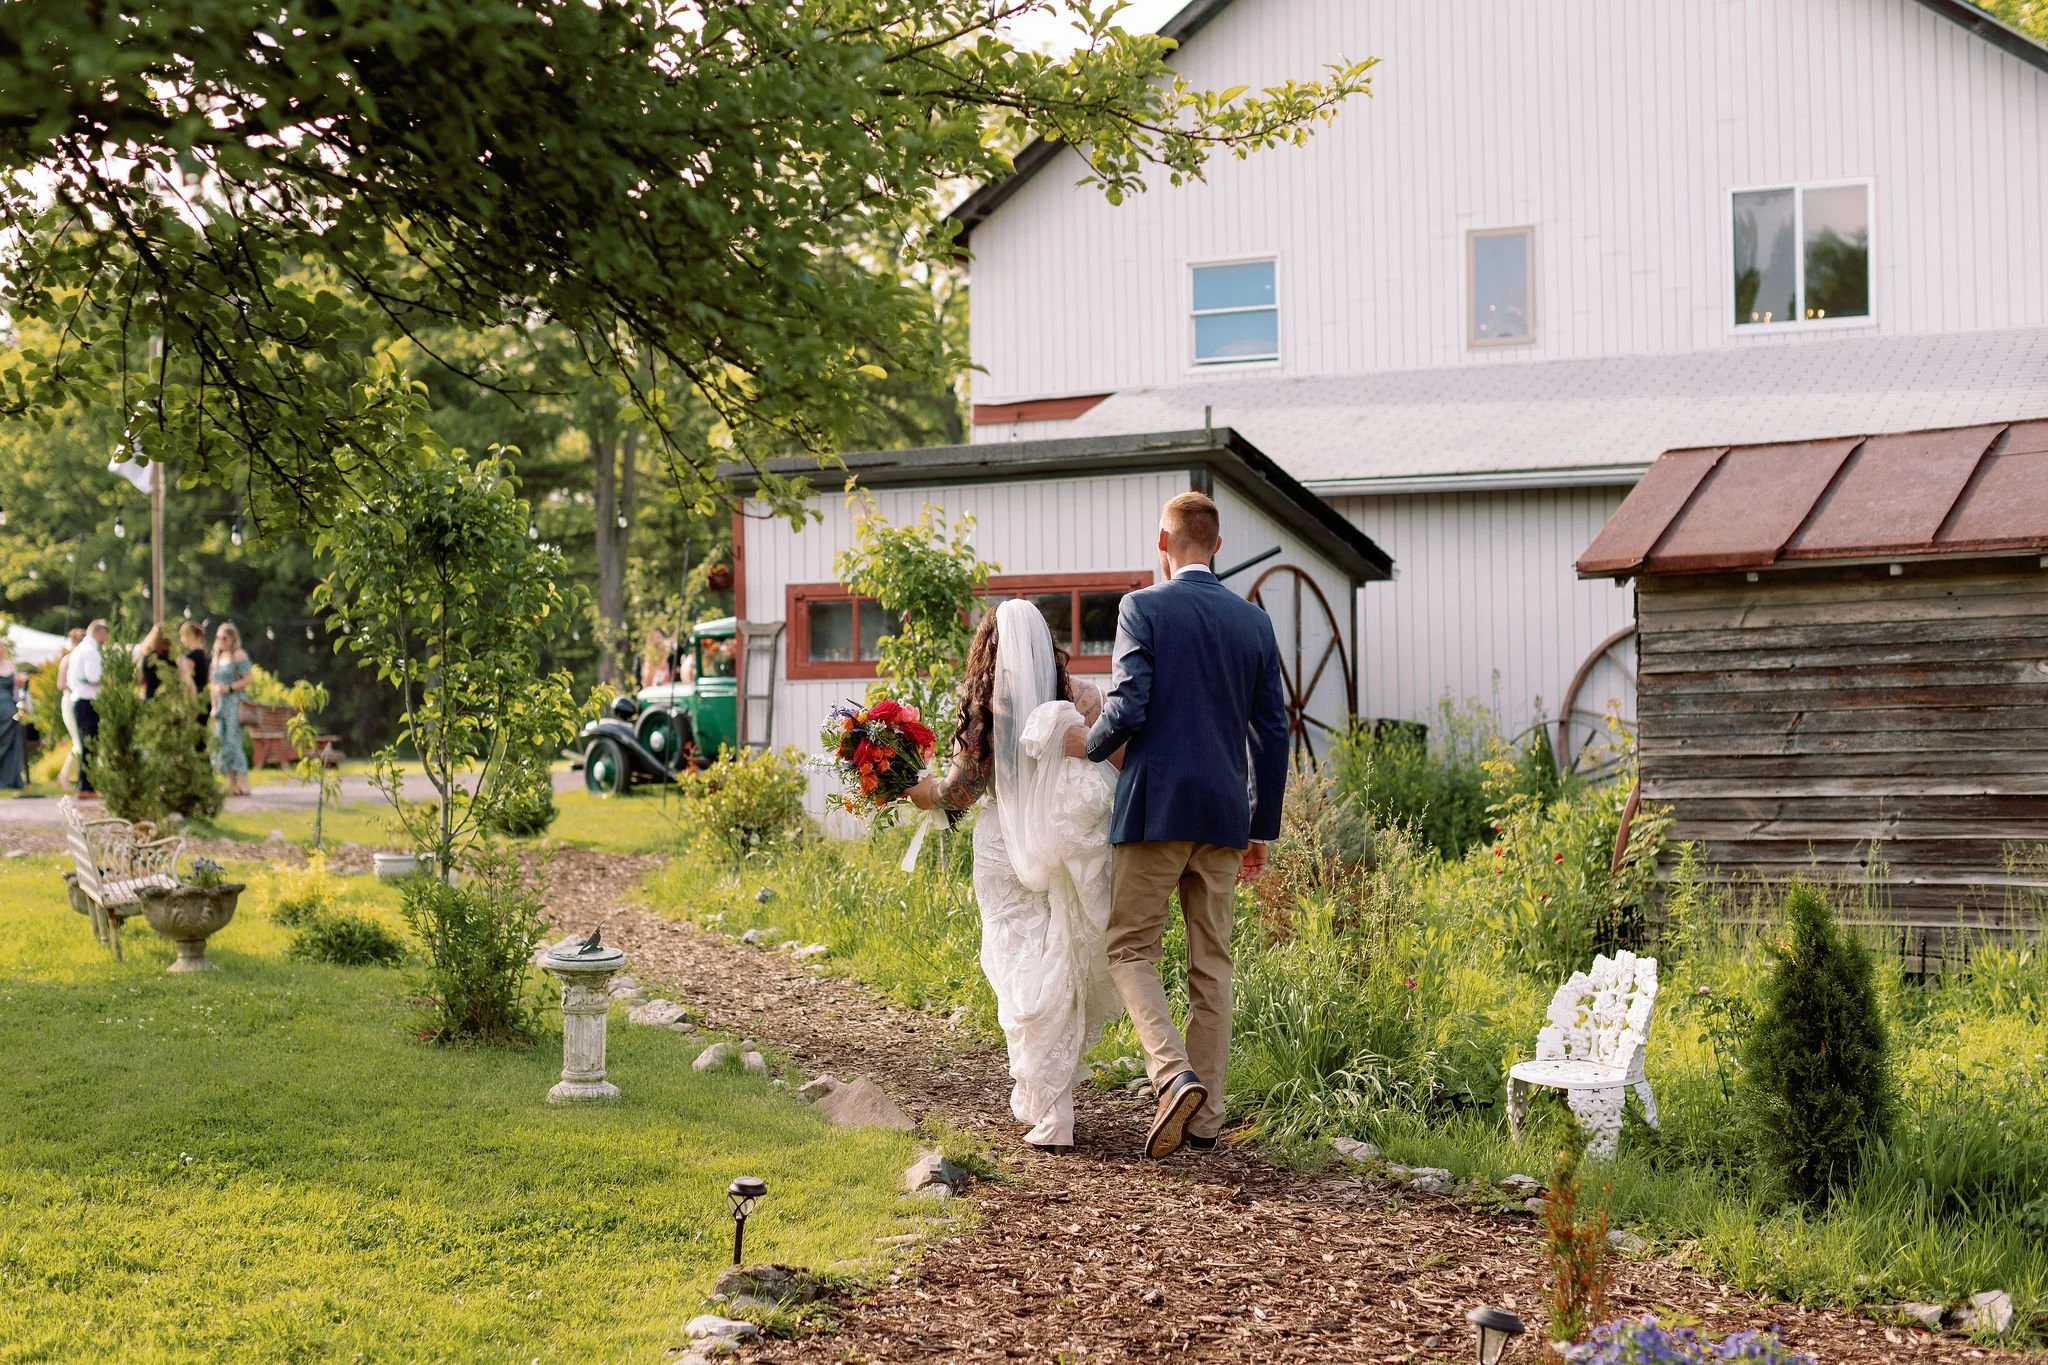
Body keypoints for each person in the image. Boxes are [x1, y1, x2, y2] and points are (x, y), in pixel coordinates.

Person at [1064, 491, 1289, 1160]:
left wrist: (1087, 744)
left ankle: (1171, 1072)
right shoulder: (1255, 624)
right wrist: (1261, 826)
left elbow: (1129, 707)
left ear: (1161, 543)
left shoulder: (1144, 607)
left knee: (1130, 947)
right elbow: (1273, 733)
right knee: (1210, 964)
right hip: (1223, 816)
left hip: (1155, 809)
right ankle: (1207, 1117)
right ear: (1216, 547)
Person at [906, 600, 1124, 1151]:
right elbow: (1107, 752)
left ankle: (1051, 1105)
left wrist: (912, 787)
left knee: (1016, 963)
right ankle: (1053, 1102)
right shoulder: (1080, 697)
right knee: (1059, 958)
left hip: (1004, 847)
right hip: (1058, 841)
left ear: (990, 649)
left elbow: (958, 792)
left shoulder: (988, 709)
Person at [210, 622, 253, 796]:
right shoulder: (217, 658)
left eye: (224, 637)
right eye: (218, 637)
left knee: (234, 742)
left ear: (232, 638)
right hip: (221, 705)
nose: (221, 641)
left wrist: (230, 688)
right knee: (221, 743)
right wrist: (213, 705)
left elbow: (248, 679)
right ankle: (231, 783)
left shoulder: (238, 655)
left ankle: (244, 782)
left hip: (235, 703)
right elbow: (213, 685)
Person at [69, 620, 110, 799]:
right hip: (88, 701)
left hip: (79, 699)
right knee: (90, 744)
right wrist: (109, 678)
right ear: (100, 633)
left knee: (87, 744)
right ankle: (86, 787)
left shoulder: (79, 649)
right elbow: (93, 676)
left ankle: (86, 785)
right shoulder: (91, 651)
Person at [55, 627, 84, 791]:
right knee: (78, 743)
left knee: (83, 742)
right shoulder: (67, 659)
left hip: (81, 701)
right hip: (70, 701)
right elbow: (61, 684)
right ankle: (64, 775)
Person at [0, 638, 24, 790]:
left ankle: (9, 777)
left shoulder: (9, 665)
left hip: (10, 708)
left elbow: (16, 691)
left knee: (11, 741)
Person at [135, 623, 176, 700]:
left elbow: (140, 678)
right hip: (165, 699)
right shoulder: (167, 658)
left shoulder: (147, 656)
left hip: (149, 696)